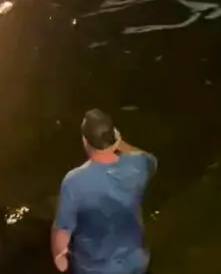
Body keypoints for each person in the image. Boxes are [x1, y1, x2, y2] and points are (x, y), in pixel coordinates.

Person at [52, 109, 157, 274]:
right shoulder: (138, 165)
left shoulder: (74, 183)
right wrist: (120, 144)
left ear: (85, 141)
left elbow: (62, 231)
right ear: (114, 135)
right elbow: (149, 160)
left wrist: (60, 257)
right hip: (136, 264)